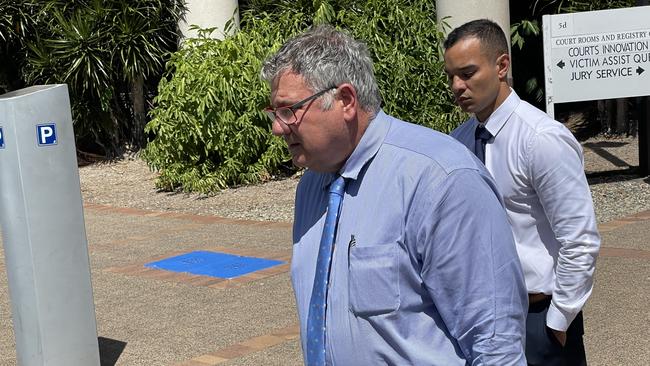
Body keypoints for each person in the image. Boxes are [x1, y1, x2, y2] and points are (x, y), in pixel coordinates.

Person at [261, 24, 528, 365]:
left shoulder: (440, 179)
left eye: (289, 110)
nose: (278, 127)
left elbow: (495, 342)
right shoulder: (312, 186)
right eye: (275, 113)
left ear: (345, 100)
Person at [444, 19, 601, 366]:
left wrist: (558, 322)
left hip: (537, 318)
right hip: (482, 317)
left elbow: (580, 238)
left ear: (501, 66)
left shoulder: (540, 139)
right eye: (451, 76)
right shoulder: (459, 141)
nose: (457, 85)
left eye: (468, 73)